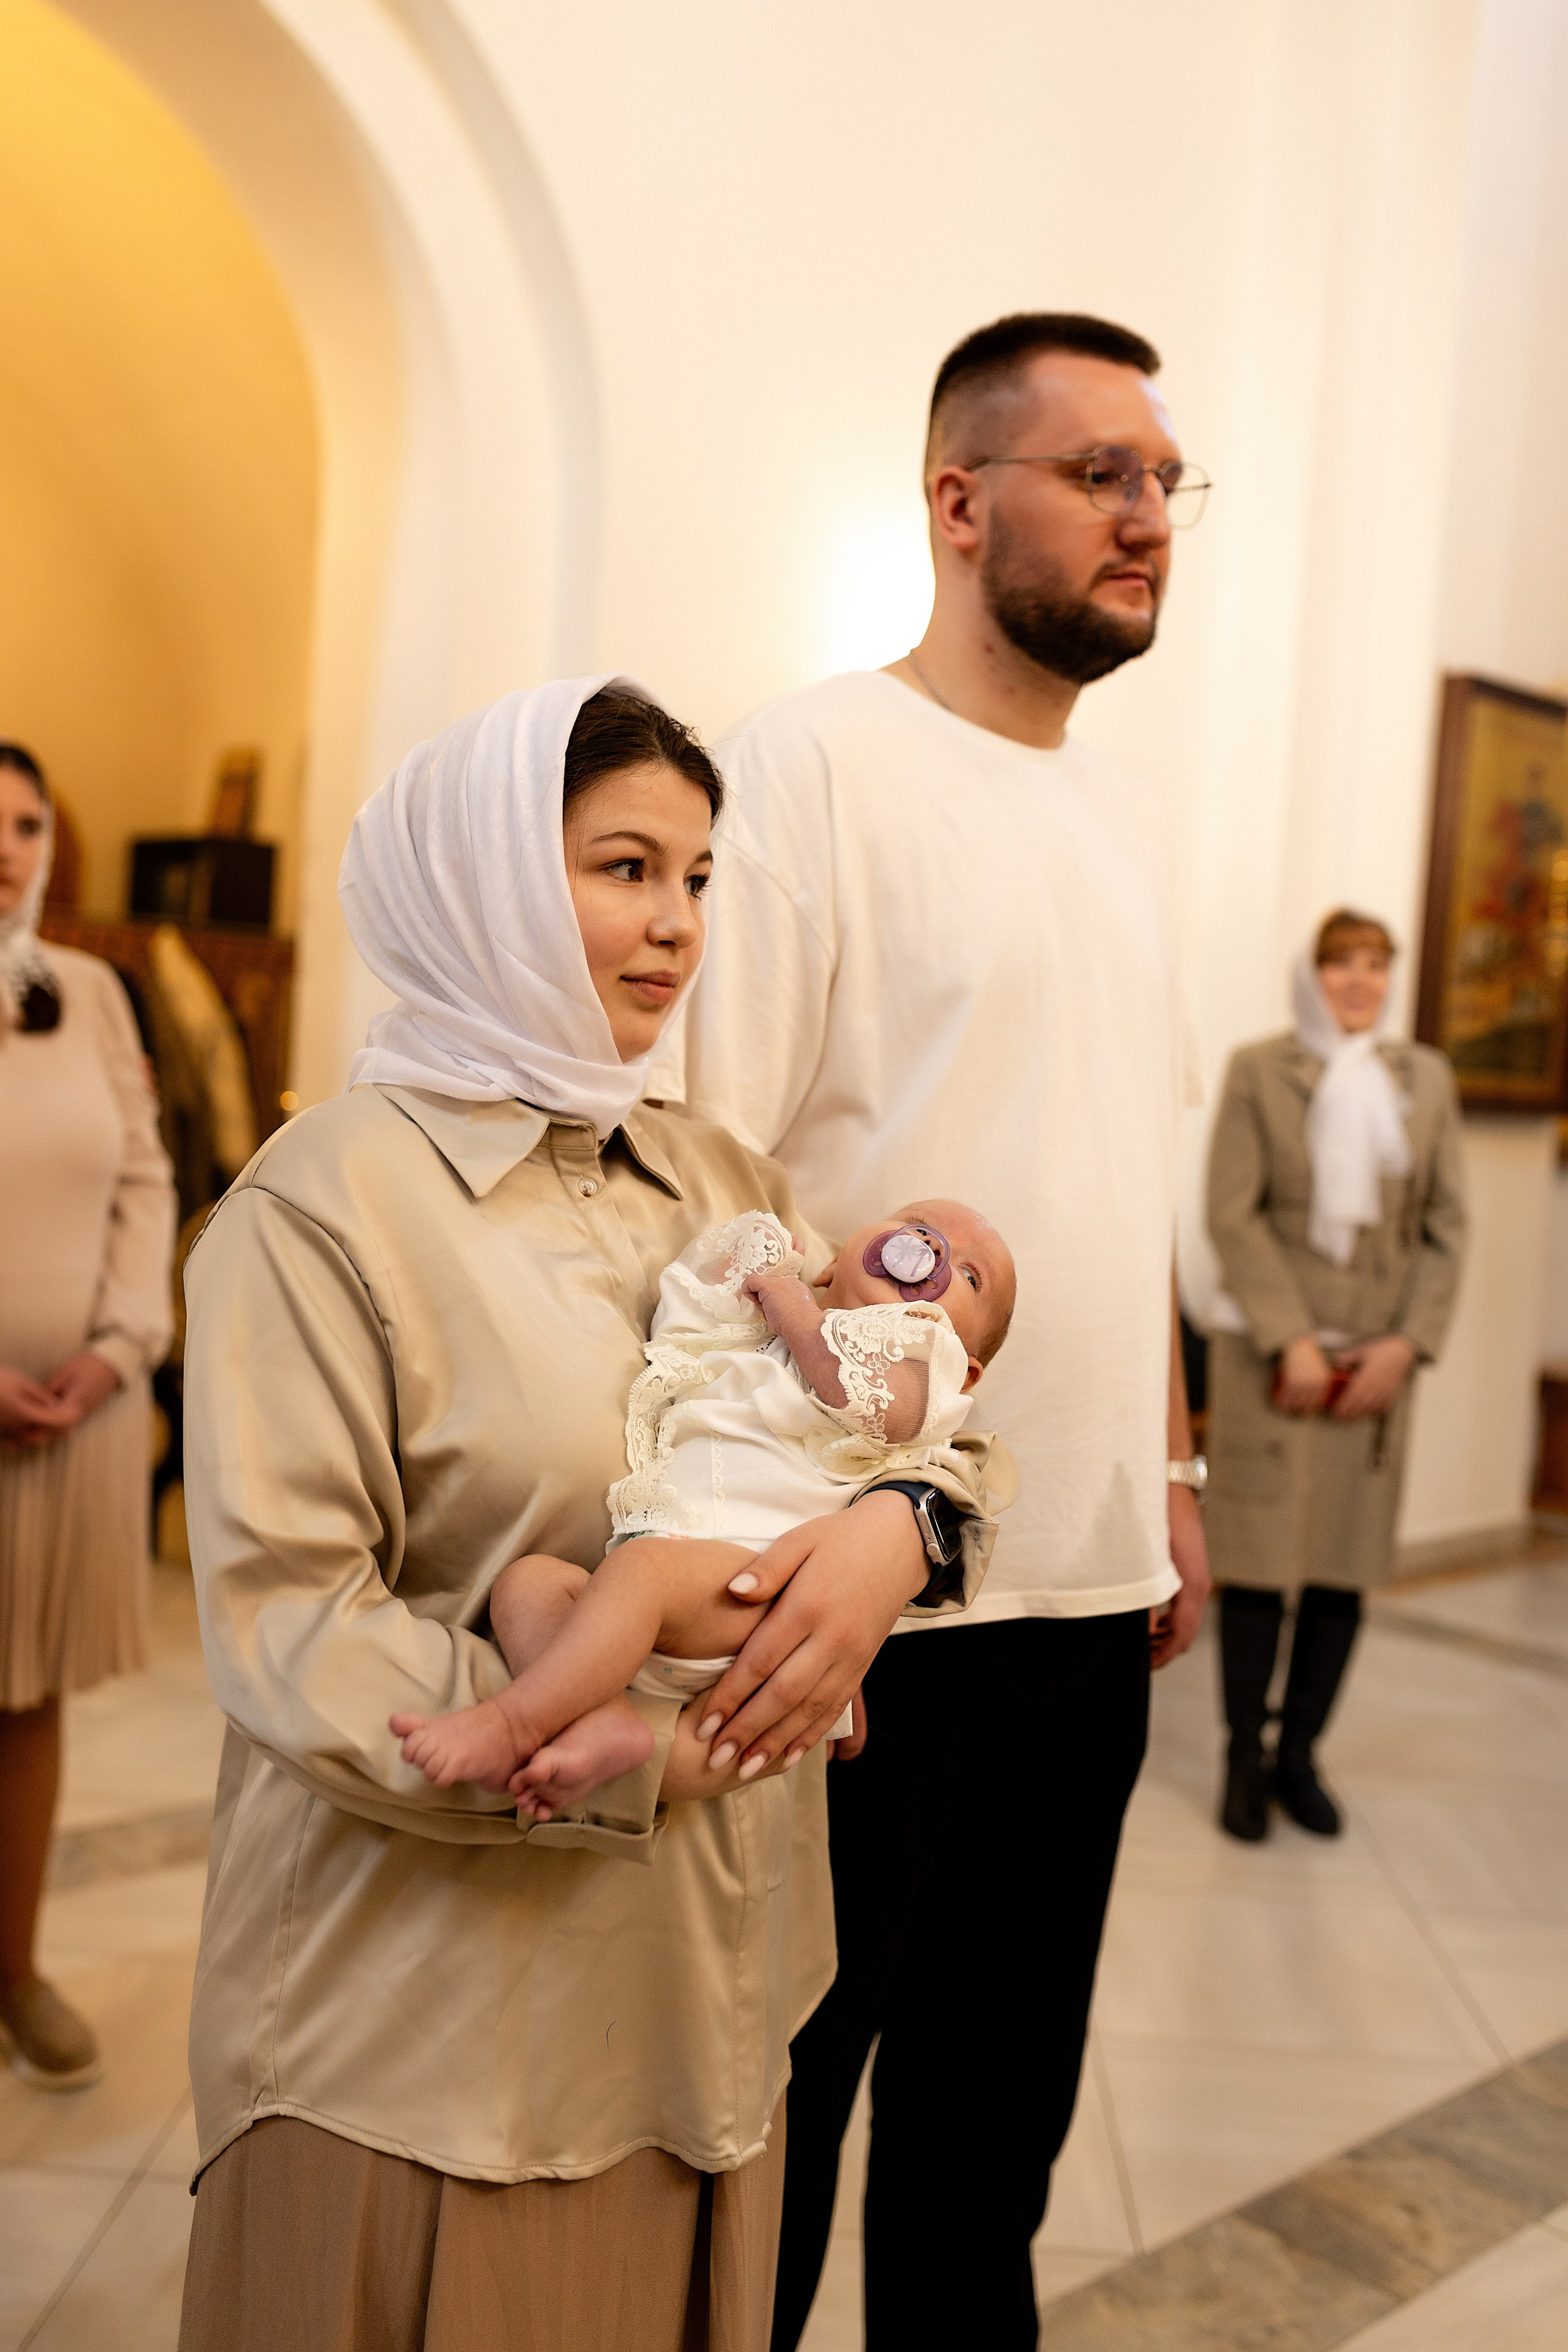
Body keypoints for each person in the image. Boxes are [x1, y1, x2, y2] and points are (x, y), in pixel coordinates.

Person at [175, 680, 1004, 2352]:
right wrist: (649, 1751)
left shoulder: (724, 1178)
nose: (678, 924)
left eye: (699, 878)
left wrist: (904, 1526)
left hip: (708, 1996)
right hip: (430, 2027)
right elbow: (292, 1633)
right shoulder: (326, 1204)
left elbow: (910, 1399)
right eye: (627, 867)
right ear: (479, 877)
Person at [662, 312, 1213, 2351]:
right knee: (774, 2143)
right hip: (874, 1609)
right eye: (1105, 474)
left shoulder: (1134, 819)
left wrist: (1167, 1483)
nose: (1151, 514)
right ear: (960, 501)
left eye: (1168, 480)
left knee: (991, 2158)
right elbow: (715, 1202)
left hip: (1084, 1601)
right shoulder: (808, 766)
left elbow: (1121, 1183)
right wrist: (776, 1542)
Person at [391, 1201, 1015, 1807]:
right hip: (675, 1586)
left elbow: (878, 1406)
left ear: (967, 1375)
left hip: (763, 1594)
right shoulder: (764, 1338)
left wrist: (792, 1300)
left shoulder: (922, 1362)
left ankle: (513, 1724)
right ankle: (598, 1719)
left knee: (645, 1575)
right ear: (829, 1268)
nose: (930, 1249)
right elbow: (685, 1328)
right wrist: (751, 1278)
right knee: (528, 1582)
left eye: (967, 1274)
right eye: (913, 1226)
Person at [1205, 908, 1466, 1841]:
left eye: (1376, 965)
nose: (1360, 981)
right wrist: (1292, 1341)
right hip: (1274, 1361)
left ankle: (1299, 1757)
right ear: (1311, 975)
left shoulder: (1424, 1079)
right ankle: (1242, 1757)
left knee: (1339, 1574)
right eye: (1341, 964)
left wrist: (1404, 1347)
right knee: (1261, 1569)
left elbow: (1446, 1227)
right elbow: (1232, 1214)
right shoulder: (1260, 1069)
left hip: (1375, 1370)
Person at [0, 742, 176, 2089]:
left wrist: (120, 1348)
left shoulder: (98, 994)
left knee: (29, 1704)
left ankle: (13, 1971)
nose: (8, 846)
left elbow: (144, 1178)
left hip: (72, 1424)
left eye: (25, 824)